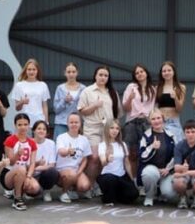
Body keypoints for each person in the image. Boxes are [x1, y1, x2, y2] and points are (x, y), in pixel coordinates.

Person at [78, 65, 121, 193]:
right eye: (100, 75)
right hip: (92, 128)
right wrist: (95, 105)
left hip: (107, 129)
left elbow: (117, 114)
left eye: (106, 75)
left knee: (105, 157)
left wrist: (115, 129)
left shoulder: (112, 92)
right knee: (94, 157)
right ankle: (89, 185)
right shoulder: (87, 91)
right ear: (95, 76)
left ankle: (98, 185)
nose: (103, 77)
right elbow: (82, 111)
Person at [122, 64, 157, 176]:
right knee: (131, 153)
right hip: (132, 122)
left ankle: (143, 178)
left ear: (146, 73)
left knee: (146, 151)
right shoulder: (131, 87)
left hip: (146, 122)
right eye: (137, 73)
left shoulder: (152, 89)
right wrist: (130, 98)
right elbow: (125, 108)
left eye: (141, 71)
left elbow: (153, 109)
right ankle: (131, 178)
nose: (139, 74)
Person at [139, 109, 177, 207]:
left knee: (169, 193)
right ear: (150, 121)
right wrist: (152, 147)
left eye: (158, 118)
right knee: (149, 173)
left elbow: (176, 155)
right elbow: (142, 157)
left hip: (166, 171)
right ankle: (149, 196)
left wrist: (168, 169)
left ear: (163, 119)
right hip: (152, 169)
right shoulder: (146, 136)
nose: (156, 121)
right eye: (153, 119)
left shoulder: (171, 135)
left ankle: (160, 192)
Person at [2, 113, 41, 210]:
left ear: (29, 125)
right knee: (21, 169)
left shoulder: (32, 143)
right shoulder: (10, 140)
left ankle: (19, 190)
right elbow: (11, 162)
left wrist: (28, 177)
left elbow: (32, 163)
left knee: (35, 188)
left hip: (24, 173)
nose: (23, 127)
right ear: (15, 125)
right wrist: (17, 154)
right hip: (9, 173)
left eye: (25, 124)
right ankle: (17, 198)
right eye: (19, 125)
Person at [96, 119, 139, 206]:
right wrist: (107, 160)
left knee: (133, 194)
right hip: (108, 176)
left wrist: (131, 180)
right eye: (112, 128)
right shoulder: (102, 145)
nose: (114, 131)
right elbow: (103, 162)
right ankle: (107, 197)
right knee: (110, 179)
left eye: (117, 128)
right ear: (107, 129)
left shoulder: (123, 144)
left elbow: (127, 163)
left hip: (121, 176)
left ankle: (116, 195)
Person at [55, 112, 92, 203]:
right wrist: (67, 151)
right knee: (71, 174)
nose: (74, 124)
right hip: (62, 170)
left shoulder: (84, 139)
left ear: (80, 124)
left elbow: (85, 159)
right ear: (67, 124)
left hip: (76, 169)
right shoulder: (61, 137)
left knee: (84, 186)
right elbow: (61, 152)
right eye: (71, 122)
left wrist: (79, 171)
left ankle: (72, 190)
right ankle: (64, 192)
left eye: (76, 122)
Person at [53, 62, 86, 141]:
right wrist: (64, 101)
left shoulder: (83, 89)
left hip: (76, 123)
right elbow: (56, 109)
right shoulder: (60, 88)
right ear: (65, 73)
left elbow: (85, 108)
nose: (71, 74)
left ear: (77, 73)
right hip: (62, 123)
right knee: (60, 145)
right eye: (69, 72)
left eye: (73, 72)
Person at [12, 58, 50, 126]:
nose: (31, 72)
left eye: (34, 69)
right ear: (25, 71)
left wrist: (46, 122)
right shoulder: (19, 85)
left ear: (37, 71)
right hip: (24, 121)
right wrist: (22, 102)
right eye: (29, 69)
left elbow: (44, 106)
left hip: (39, 120)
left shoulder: (43, 85)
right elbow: (17, 108)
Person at [155, 61, 186, 143]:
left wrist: (175, 98)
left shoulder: (181, 87)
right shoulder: (157, 88)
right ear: (161, 73)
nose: (166, 73)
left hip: (174, 121)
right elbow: (155, 107)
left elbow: (179, 109)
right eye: (164, 71)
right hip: (161, 122)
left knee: (176, 145)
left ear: (173, 72)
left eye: (169, 70)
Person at [32, 120, 59, 202]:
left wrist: (36, 168)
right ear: (34, 130)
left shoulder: (51, 143)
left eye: (44, 129)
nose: (41, 131)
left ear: (47, 132)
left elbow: (52, 165)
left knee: (53, 172)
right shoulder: (28, 142)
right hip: (30, 173)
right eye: (39, 128)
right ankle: (29, 192)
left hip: (43, 172)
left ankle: (46, 190)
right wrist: (33, 168)